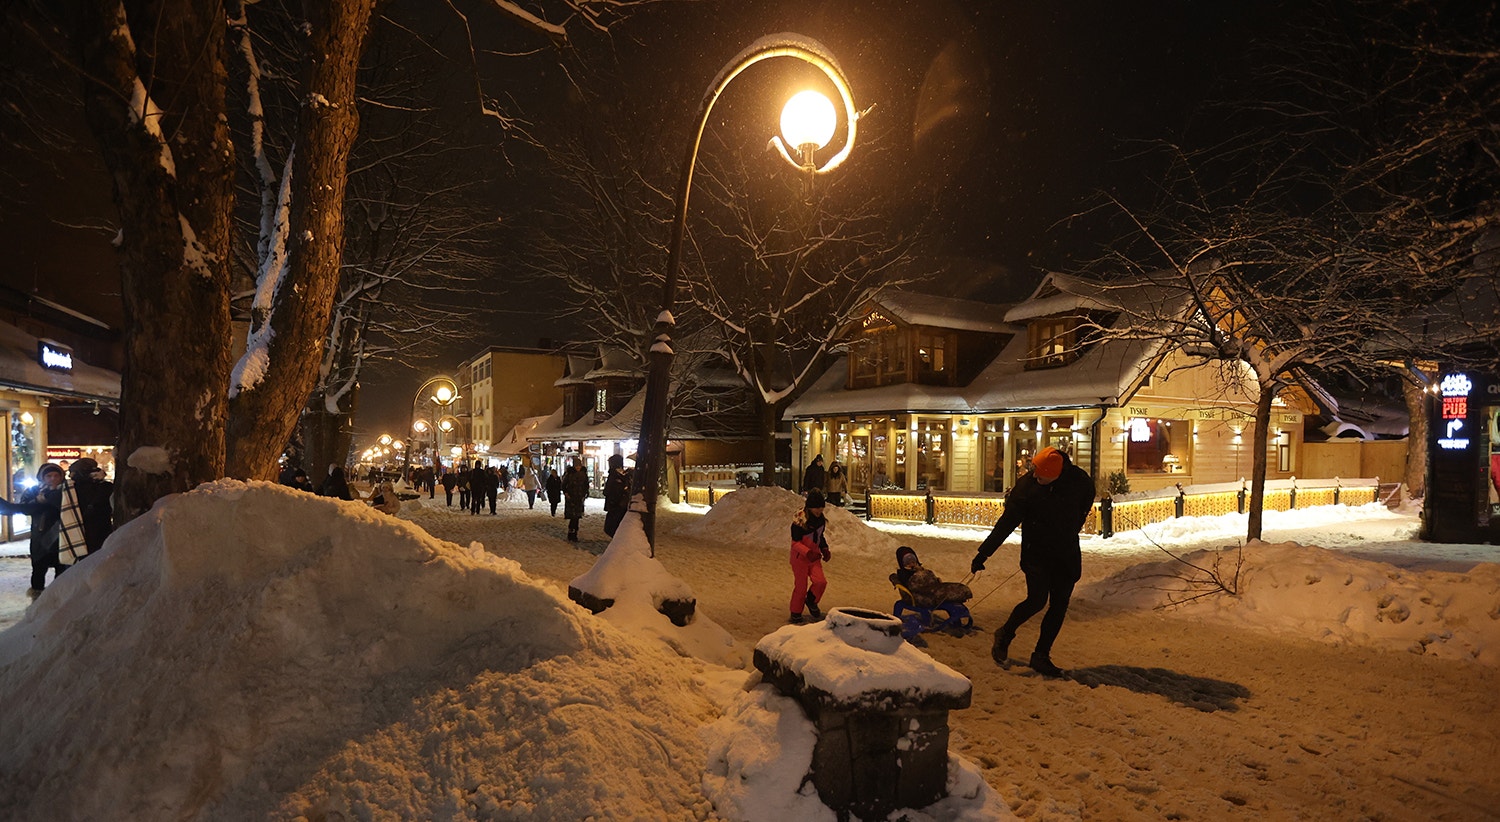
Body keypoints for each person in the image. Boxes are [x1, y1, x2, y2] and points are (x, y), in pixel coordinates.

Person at [970, 446, 1095, 677]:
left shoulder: (1080, 482)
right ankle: (1005, 633)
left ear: (1056, 474)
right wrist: (984, 554)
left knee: (1059, 605)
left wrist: (1069, 530)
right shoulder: (1027, 487)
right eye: (1035, 471)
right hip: (1036, 553)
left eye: (1041, 475)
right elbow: (1007, 522)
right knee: (1037, 600)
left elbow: (1084, 507)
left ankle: (1041, 656)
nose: (1035, 476)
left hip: (1065, 554)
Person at [0, 463, 94, 597]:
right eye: (49, 476)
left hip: (61, 537)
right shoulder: (33, 491)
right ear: (42, 477)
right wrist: (38, 500)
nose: (53, 479)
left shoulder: (68, 491)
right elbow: (25, 508)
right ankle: (37, 598)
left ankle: (58, 597)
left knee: (62, 570)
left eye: (56, 475)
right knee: (38, 570)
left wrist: (47, 498)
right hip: (40, 538)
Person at [787, 490, 831, 624]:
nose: (819, 510)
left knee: (821, 582)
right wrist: (808, 552)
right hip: (800, 558)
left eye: (821, 508)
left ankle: (811, 601)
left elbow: (820, 536)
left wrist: (824, 548)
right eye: (816, 508)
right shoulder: (800, 520)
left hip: (814, 557)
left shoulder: (821, 520)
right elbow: (795, 543)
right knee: (801, 587)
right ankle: (795, 612)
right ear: (810, 507)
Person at [895, 546, 972, 608]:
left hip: (932, 588)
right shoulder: (903, 573)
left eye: (913, 561)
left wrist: (921, 571)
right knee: (944, 592)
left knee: (957, 588)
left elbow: (930, 579)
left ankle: (962, 594)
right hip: (924, 594)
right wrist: (914, 572)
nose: (911, 564)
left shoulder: (920, 569)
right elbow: (914, 585)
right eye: (908, 562)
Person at [601, 454, 632, 537]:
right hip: (621, 503)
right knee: (617, 524)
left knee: (611, 526)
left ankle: (618, 540)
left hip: (615, 503)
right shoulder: (625, 475)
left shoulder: (613, 475)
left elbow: (608, 490)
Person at [562, 457, 590, 541]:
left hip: (579, 497)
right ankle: (571, 532)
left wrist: (585, 493)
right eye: (576, 466)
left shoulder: (583, 474)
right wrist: (566, 493)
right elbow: (564, 485)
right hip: (571, 497)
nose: (578, 467)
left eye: (579, 466)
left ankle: (574, 533)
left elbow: (586, 485)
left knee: (577, 516)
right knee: (573, 516)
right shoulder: (569, 474)